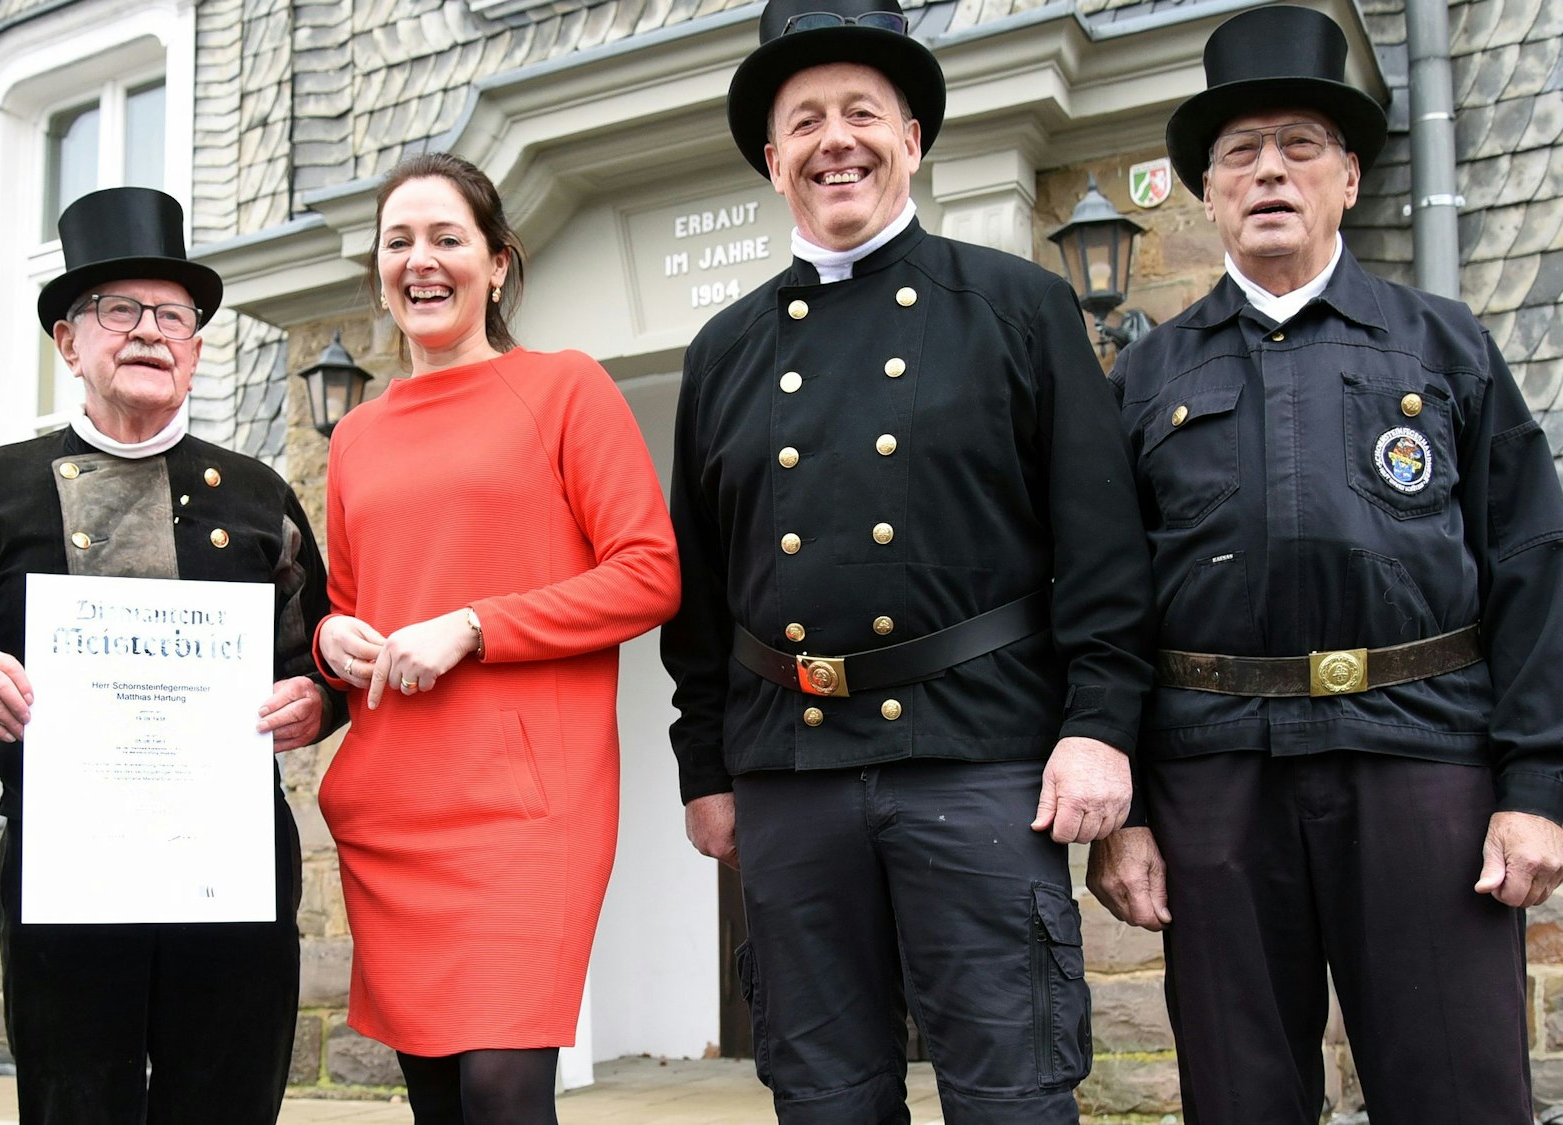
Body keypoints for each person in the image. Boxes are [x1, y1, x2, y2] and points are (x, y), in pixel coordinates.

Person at [660, 3, 1158, 1121]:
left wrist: (1098, 726)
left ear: (912, 141)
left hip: (979, 765)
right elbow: (699, 589)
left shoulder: (1018, 307)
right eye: (804, 122)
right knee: (822, 1096)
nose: (834, 140)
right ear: (772, 159)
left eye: (861, 113)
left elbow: (1102, 551)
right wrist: (705, 766)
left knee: (1012, 1091)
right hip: (789, 770)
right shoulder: (724, 351)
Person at [1088, 6, 1563, 1121]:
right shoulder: (1143, 380)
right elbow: (1105, 606)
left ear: (1347, 177)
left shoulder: (1444, 344)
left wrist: (1536, 788)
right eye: (1239, 152)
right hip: (1213, 778)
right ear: (1207, 192)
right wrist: (1127, 814)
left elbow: (1532, 562)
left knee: (1456, 1089)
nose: (1269, 170)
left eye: (1299, 145)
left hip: (1421, 762)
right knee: (1239, 1095)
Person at [0, 187, 341, 1125]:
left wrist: (316, 702)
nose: (149, 333)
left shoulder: (258, 496)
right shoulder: (0, 488)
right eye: (119, 311)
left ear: (196, 349)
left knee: (228, 1106)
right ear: (68, 340)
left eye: (173, 315)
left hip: (231, 873)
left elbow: (318, 656)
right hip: (65, 878)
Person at [312, 151, 680, 1123]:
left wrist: (476, 627)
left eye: (447, 238)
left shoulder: (563, 389)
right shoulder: (355, 437)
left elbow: (649, 573)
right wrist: (333, 639)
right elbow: (348, 600)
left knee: (502, 1091)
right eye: (398, 242)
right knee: (438, 1101)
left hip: (525, 810)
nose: (421, 260)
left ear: (497, 262)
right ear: (379, 271)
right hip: (395, 803)